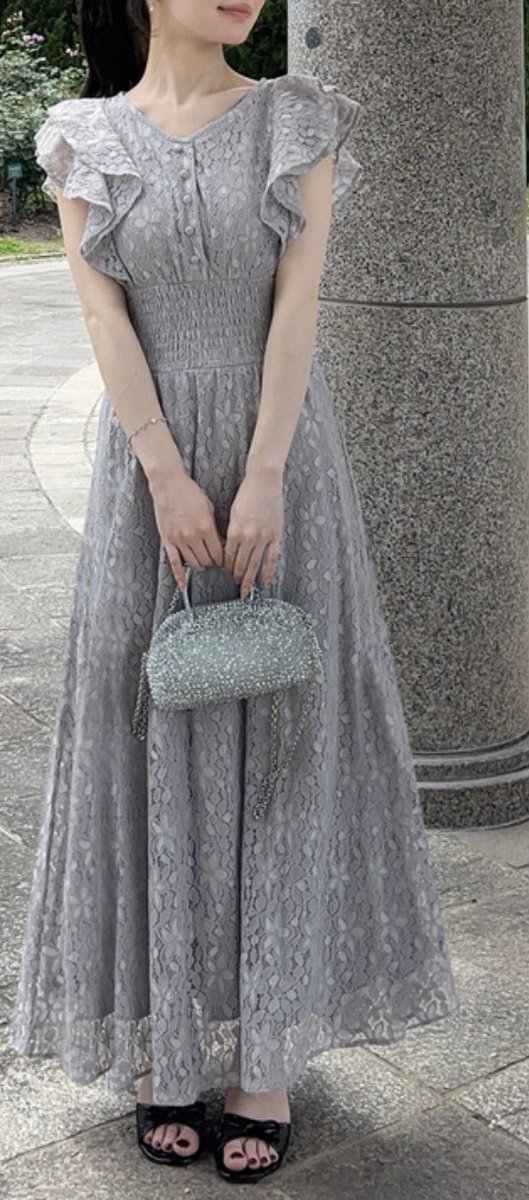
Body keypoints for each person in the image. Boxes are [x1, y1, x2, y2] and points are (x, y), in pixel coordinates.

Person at [8, 0, 459, 1186]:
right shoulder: (84, 138)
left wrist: (261, 475)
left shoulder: (297, 120)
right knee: (145, 733)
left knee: (283, 743)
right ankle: (165, 1046)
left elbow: (298, 305)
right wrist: (163, 470)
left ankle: (264, 1060)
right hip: (142, 481)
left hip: (283, 465)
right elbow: (101, 312)